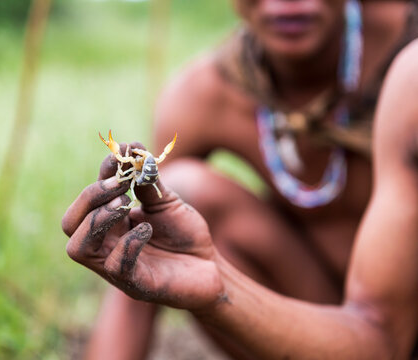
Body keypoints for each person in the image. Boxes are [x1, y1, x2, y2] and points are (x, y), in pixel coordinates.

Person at [64, 0, 418, 358]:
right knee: (179, 195)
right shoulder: (205, 94)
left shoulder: (408, 55)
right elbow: (147, 255)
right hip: (331, 321)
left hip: (397, 317)